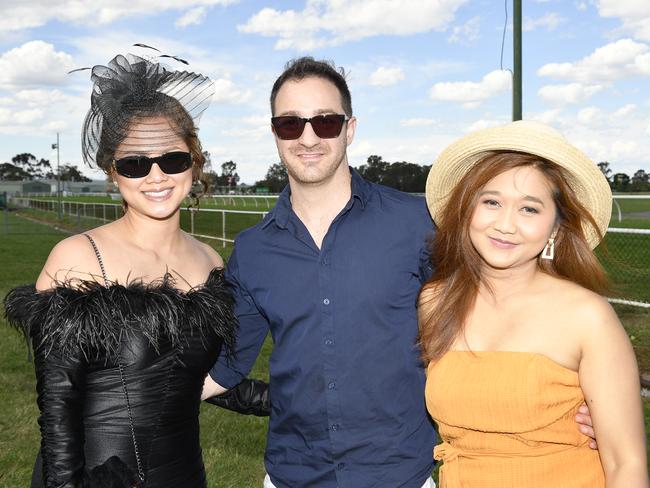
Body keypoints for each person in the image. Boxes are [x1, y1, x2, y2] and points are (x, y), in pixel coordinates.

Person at [202, 57, 599, 488]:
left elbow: (497, 305)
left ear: (350, 128)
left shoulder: (416, 223)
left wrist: (588, 395)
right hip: (292, 473)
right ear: (275, 132)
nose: (309, 137)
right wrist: (127, 390)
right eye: (291, 124)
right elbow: (226, 366)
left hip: (402, 473)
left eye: (326, 122)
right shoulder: (253, 249)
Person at [4, 53, 237, 488]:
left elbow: (194, 379)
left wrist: (306, 390)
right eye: (134, 163)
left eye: (172, 158)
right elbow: (58, 409)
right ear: (113, 172)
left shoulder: (211, 261)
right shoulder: (77, 256)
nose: (155, 176)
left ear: (194, 161)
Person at [420, 121, 648, 487]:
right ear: (467, 210)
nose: (506, 225)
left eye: (529, 209)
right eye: (491, 202)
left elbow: (627, 465)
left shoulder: (587, 317)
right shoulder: (436, 302)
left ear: (556, 228)